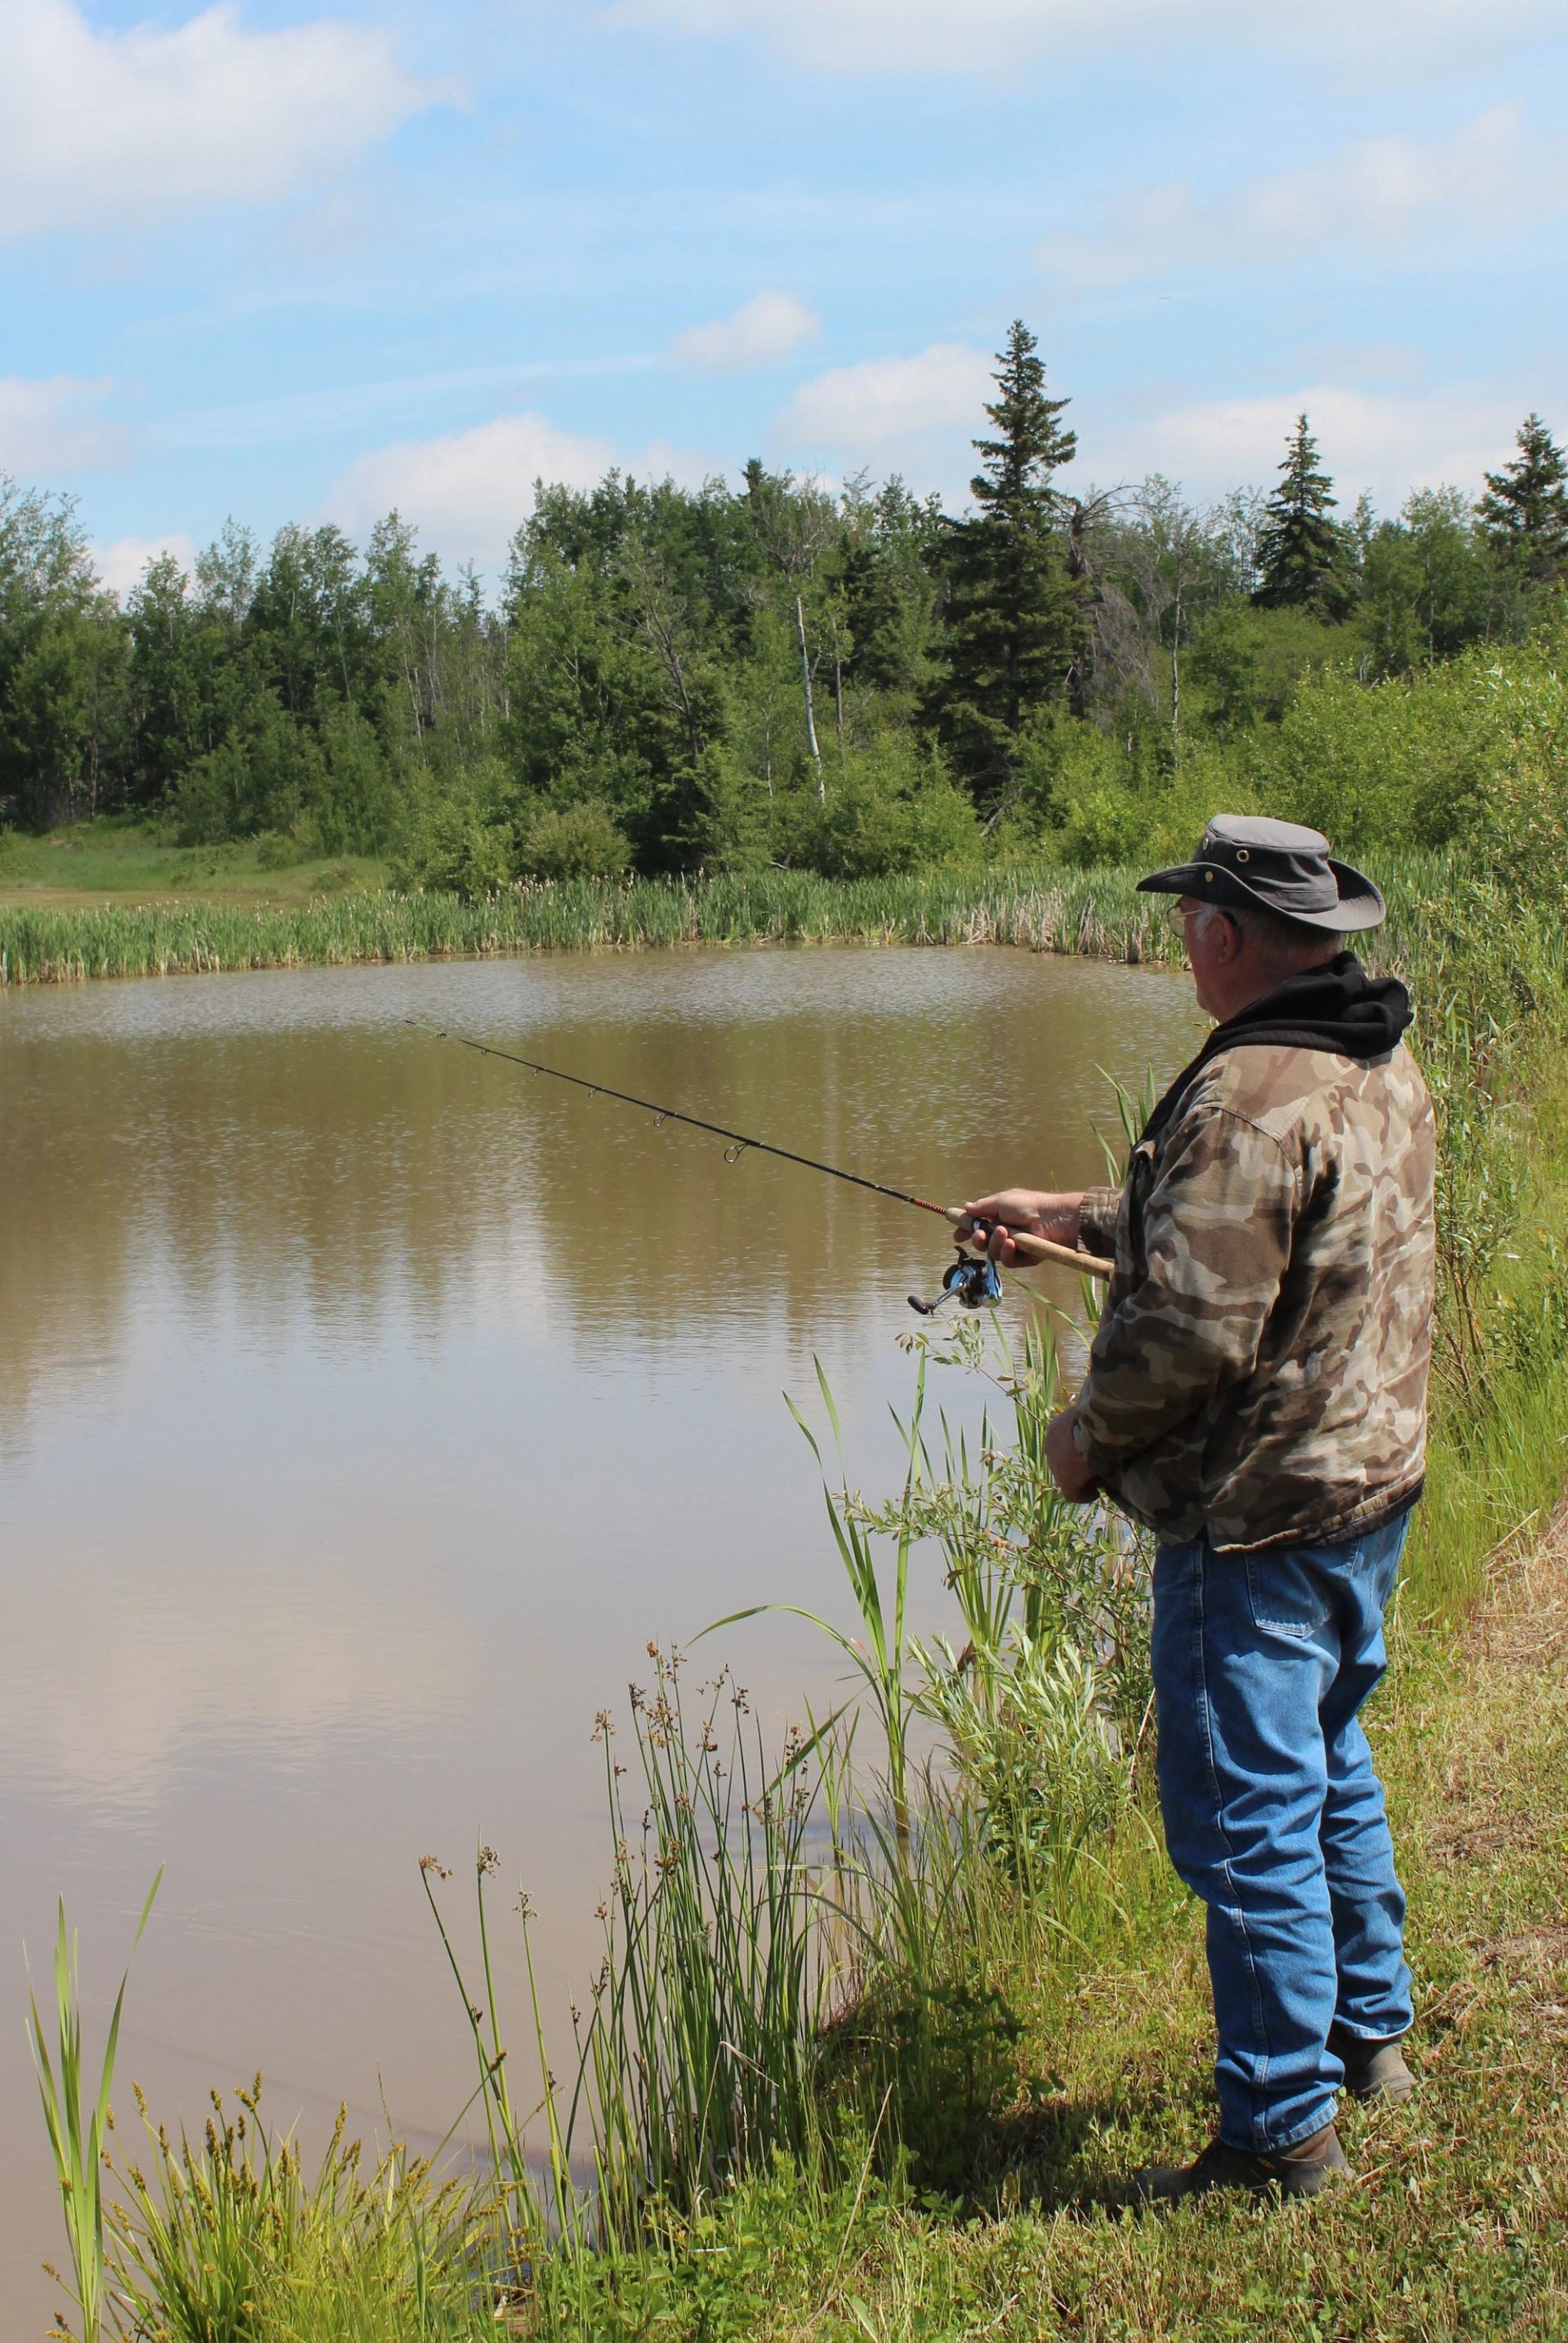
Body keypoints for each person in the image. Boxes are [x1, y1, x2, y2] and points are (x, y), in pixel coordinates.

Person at [961, 814, 1436, 2202]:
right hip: (1367, 1490)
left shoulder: (1243, 1096)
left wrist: (1077, 1441)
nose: (1179, 935)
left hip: (1261, 1519)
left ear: (1227, 932)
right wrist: (1071, 1211)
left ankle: (1282, 2132)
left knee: (1249, 1814)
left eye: (1187, 915)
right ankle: (1370, 2034)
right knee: (1327, 1755)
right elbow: (1239, 1221)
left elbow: (1186, 1335)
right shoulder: (1371, 1052)